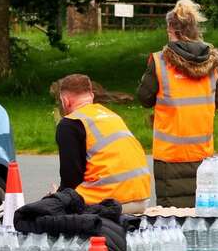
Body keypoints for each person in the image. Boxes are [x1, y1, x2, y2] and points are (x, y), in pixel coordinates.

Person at [137, 0, 218, 208]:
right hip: (203, 155)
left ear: (170, 29)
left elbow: (144, 98)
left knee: (172, 222)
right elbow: (217, 102)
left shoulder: (160, 62)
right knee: (201, 220)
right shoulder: (212, 64)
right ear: (195, 29)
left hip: (170, 157)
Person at [55, 74, 151, 213]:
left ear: (65, 101)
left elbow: (71, 180)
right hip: (141, 198)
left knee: (47, 209)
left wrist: (57, 197)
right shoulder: (110, 115)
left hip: (108, 201)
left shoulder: (70, 123)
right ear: (92, 96)